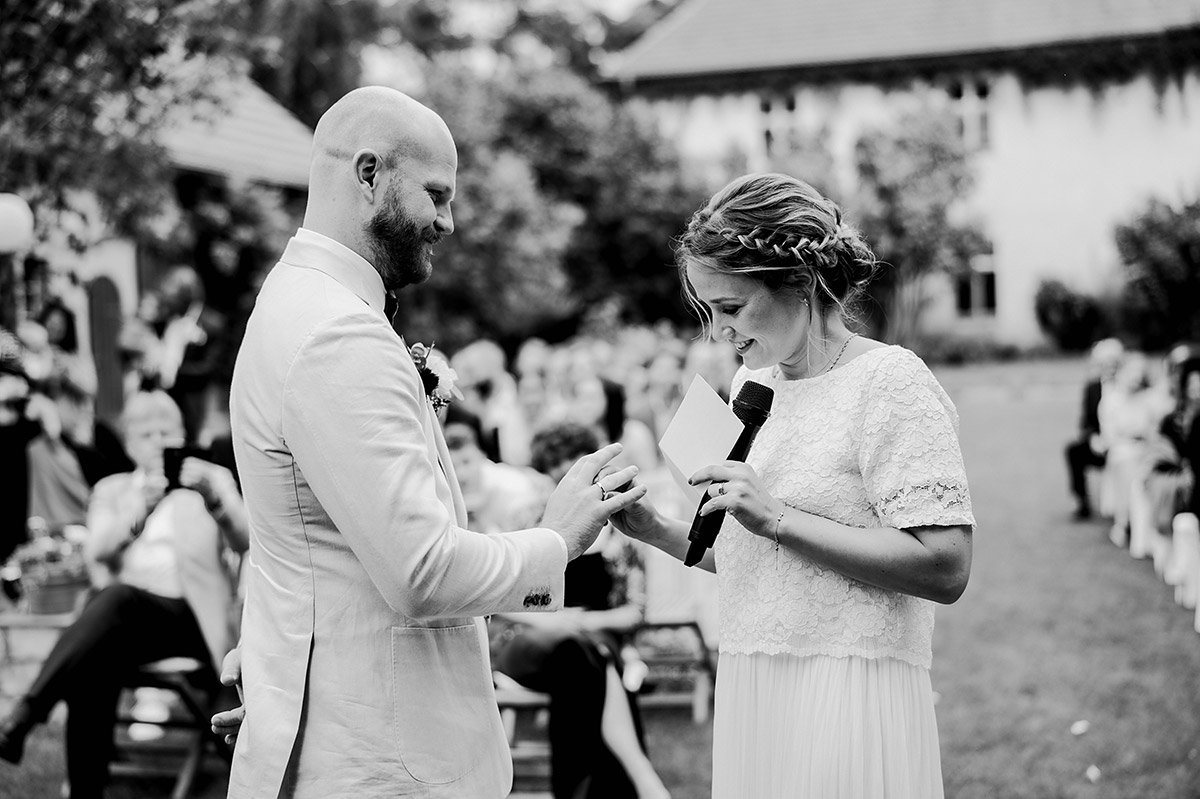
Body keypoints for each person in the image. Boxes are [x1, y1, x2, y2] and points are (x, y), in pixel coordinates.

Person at [221, 86, 644, 799]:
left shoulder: (290, 301)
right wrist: (558, 539)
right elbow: (422, 573)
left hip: (338, 729)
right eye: (437, 195)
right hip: (383, 761)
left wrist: (272, 675)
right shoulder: (338, 334)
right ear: (367, 174)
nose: (449, 222)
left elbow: (297, 543)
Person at [607, 173, 975, 798]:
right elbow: (764, 564)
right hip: (755, 681)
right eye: (707, 311)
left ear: (801, 284)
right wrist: (655, 530)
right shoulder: (761, 390)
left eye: (731, 308)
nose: (718, 333)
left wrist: (776, 515)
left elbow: (945, 566)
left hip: (849, 687)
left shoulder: (889, 382)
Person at [0, 390, 247, 798]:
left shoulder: (210, 479)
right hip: (125, 626)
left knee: (114, 601)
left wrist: (214, 498)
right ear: (129, 442)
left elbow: (246, 541)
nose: (157, 441)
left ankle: (26, 713)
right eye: (146, 433)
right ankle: (85, 790)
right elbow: (97, 550)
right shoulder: (113, 489)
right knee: (95, 658)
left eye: (166, 431)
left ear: (182, 434)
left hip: (188, 619)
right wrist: (139, 513)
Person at [490, 421, 670, 799]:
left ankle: (579, 789)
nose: (562, 469)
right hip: (529, 641)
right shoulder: (526, 520)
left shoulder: (624, 529)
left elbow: (634, 612)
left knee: (583, 656)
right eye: (553, 462)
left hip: (587, 644)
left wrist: (581, 620)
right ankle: (640, 779)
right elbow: (500, 597)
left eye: (570, 459)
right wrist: (557, 618)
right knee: (588, 653)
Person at [1064, 338, 1124, 520]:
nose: (1110, 367)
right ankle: (1081, 501)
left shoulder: (1128, 385)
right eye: (1106, 363)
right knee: (1073, 450)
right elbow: (1086, 422)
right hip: (1100, 443)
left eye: (1114, 362)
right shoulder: (1092, 388)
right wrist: (1093, 438)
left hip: (1122, 443)